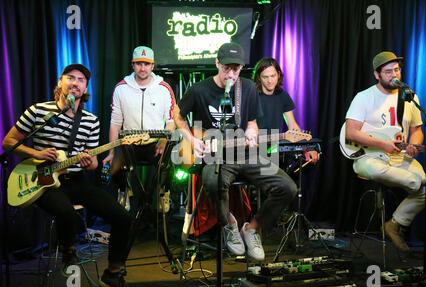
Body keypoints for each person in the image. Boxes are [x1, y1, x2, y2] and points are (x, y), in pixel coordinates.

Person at [2, 64, 138, 287]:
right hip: (42, 180)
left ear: (86, 88)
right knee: (66, 212)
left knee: (124, 217)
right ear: (60, 82)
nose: (75, 83)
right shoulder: (38, 111)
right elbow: (8, 142)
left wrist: (90, 163)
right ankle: (68, 250)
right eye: (70, 78)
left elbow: (94, 162)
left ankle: (113, 273)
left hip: (74, 179)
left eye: (81, 80)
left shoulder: (91, 120)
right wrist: (37, 154)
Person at [174, 43, 297, 261]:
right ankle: (229, 225)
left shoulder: (247, 88)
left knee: (287, 187)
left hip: (245, 154)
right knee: (212, 181)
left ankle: (251, 229)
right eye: (227, 68)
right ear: (217, 64)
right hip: (215, 155)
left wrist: (251, 132)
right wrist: (191, 140)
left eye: (236, 69)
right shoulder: (199, 90)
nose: (231, 74)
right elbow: (178, 116)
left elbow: (252, 122)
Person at [345, 51, 426, 252]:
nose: (394, 75)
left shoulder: (409, 97)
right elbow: (350, 133)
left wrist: (413, 147)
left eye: (397, 70)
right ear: (377, 75)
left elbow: (416, 131)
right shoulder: (364, 97)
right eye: (388, 71)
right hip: (368, 156)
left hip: (398, 157)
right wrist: (382, 144)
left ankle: (395, 224)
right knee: (378, 172)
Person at [103, 46, 175, 208]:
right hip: (129, 143)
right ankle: (124, 192)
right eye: (139, 64)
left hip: (154, 143)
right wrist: (112, 151)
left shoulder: (164, 88)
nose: (143, 68)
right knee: (114, 168)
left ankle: (163, 194)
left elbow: (171, 121)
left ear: (153, 66)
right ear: (133, 65)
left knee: (167, 167)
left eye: (146, 64)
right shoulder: (121, 88)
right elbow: (115, 122)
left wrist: (163, 141)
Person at [253, 57, 320, 164]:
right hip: (254, 147)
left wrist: (307, 147)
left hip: (274, 148)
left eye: (273, 76)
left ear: (278, 74)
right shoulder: (252, 96)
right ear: (259, 78)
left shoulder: (283, 96)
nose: (270, 81)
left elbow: (293, 126)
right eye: (265, 77)